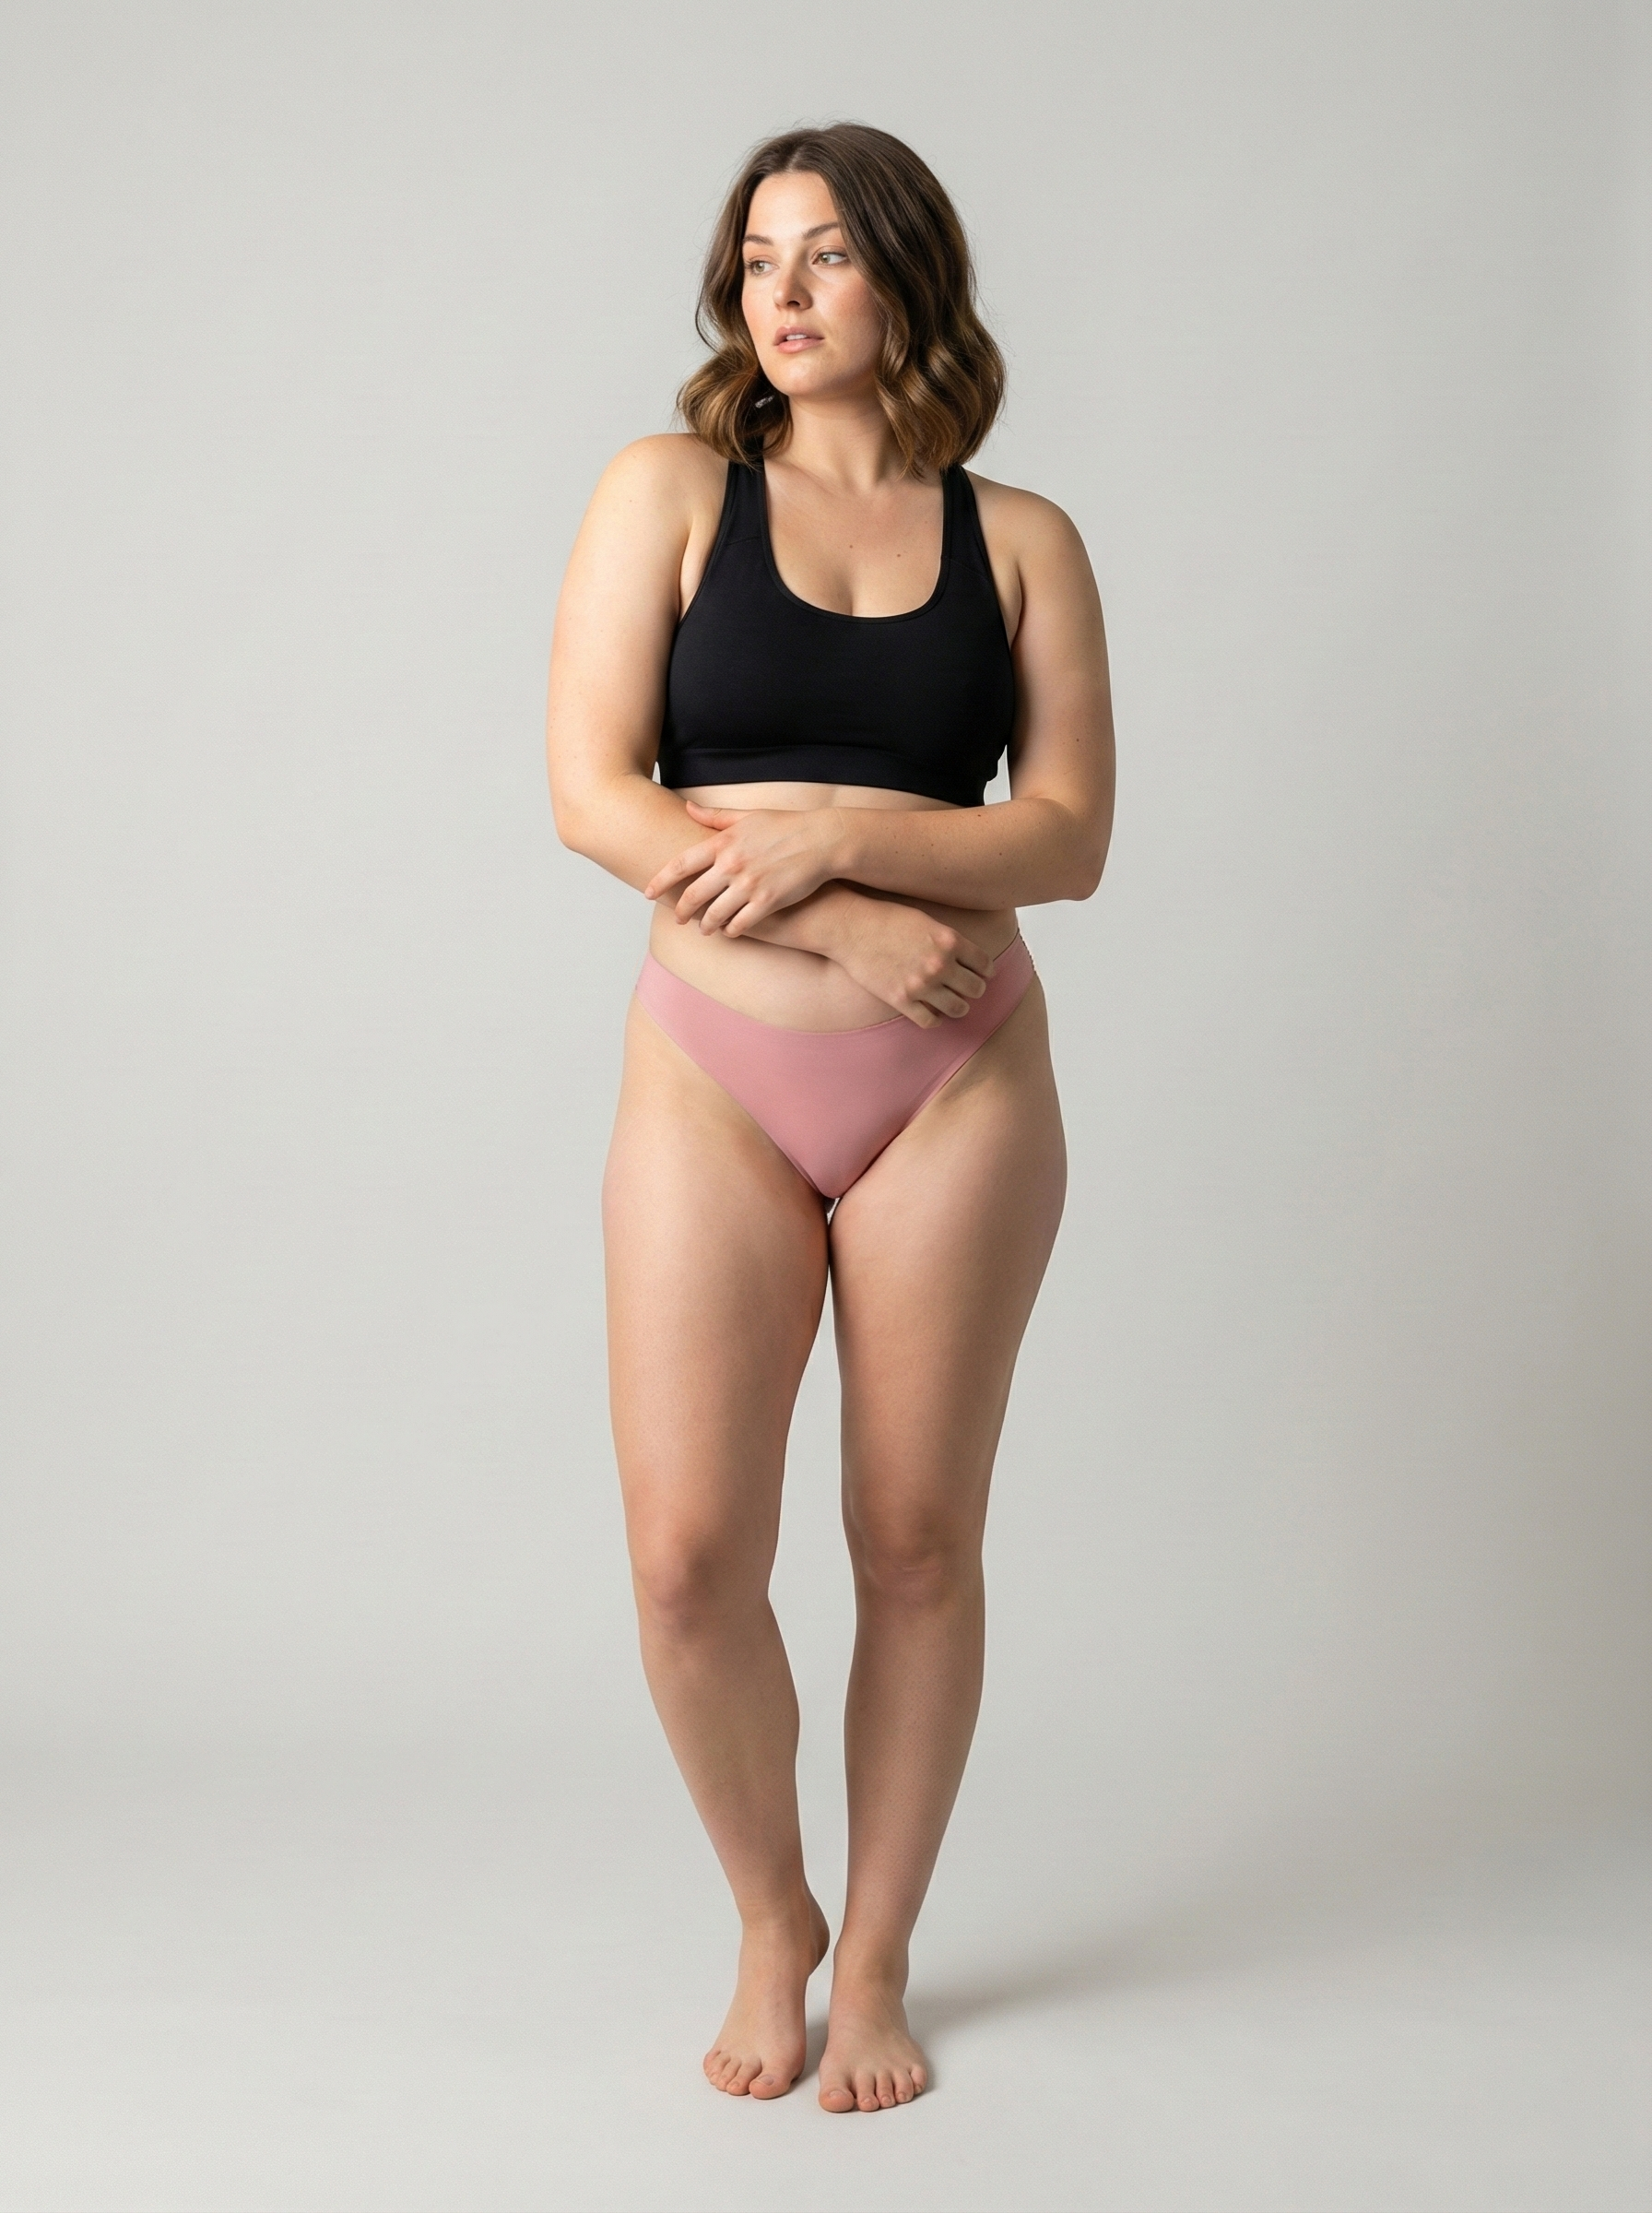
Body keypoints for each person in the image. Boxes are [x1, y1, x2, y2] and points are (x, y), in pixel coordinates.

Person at [545, 121, 1114, 2114]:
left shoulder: (1020, 538)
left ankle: (872, 1956)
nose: (778, 293)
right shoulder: (668, 491)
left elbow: (1067, 838)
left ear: (906, 278)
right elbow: (593, 794)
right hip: (714, 1071)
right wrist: (850, 913)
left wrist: (843, 844)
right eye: (754, 259)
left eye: (825, 256)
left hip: (959, 1085)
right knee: (690, 1558)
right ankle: (769, 1912)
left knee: (917, 1543)